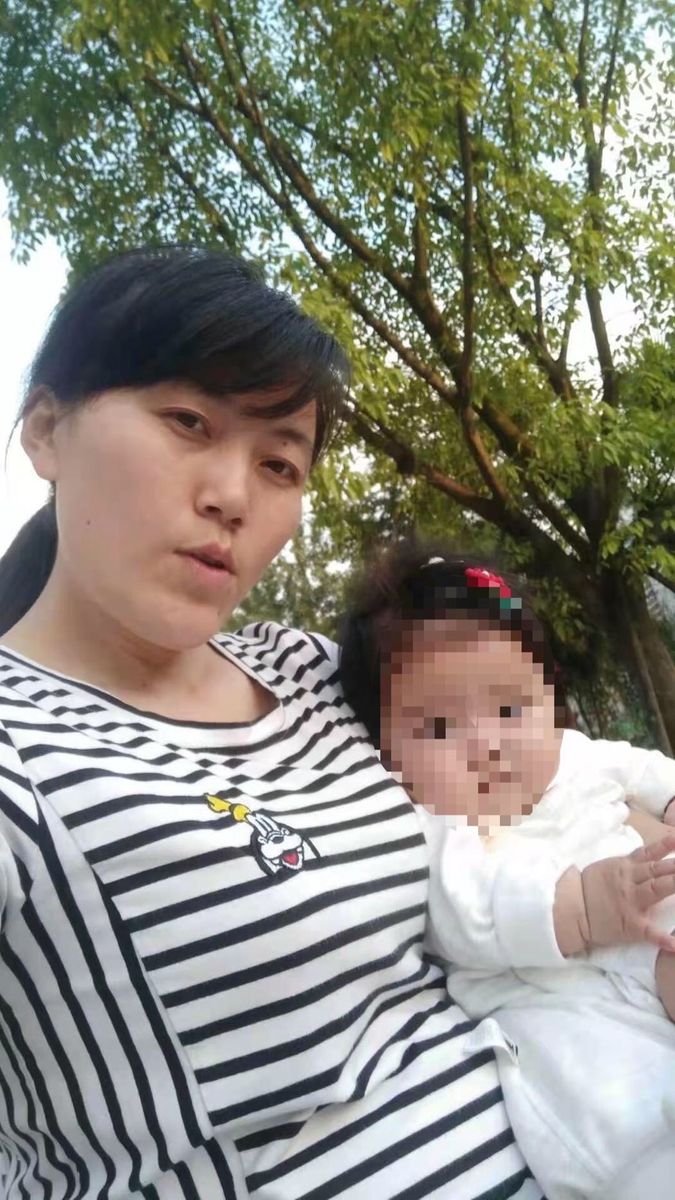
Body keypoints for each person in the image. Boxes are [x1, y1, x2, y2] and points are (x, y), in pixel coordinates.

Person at [0, 247, 542, 1200]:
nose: (232, 496)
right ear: (46, 429)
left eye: (279, 462)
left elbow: (535, 779)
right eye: (188, 422)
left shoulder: (314, 671)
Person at [339, 538, 675, 1200]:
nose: (487, 744)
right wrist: (581, 907)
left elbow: (650, 772)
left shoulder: (576, 753)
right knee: (620, 1121)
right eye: (439, 727)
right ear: (384, 754)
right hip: (560, 999)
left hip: (649, 916)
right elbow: (462, 912)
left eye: (510, 709)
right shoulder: (431, 828)